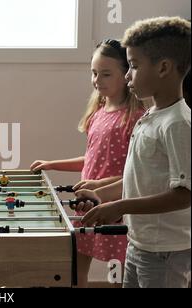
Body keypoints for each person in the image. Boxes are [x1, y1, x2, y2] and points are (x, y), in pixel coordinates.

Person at [78, 17, 191, 288]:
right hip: (139, 241)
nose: (128, 75)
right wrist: (101, 196)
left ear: (163, 67)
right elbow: (136, 178)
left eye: (135, 66)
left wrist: (120, 206)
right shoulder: (150, 115)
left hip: (165, 250)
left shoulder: (178, 123)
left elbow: (184, 194)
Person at [30, 39, 145, 287]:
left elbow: (136, 171)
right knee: (77, 264)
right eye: (94, 73)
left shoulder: (135, 117)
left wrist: (99, 183)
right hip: (86, 202)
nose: (97, 80)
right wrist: (52, 164)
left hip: (116, 207)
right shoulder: (98, 112)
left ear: (126, 74)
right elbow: (91, 158)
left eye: (105, 74)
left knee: (119, 271)